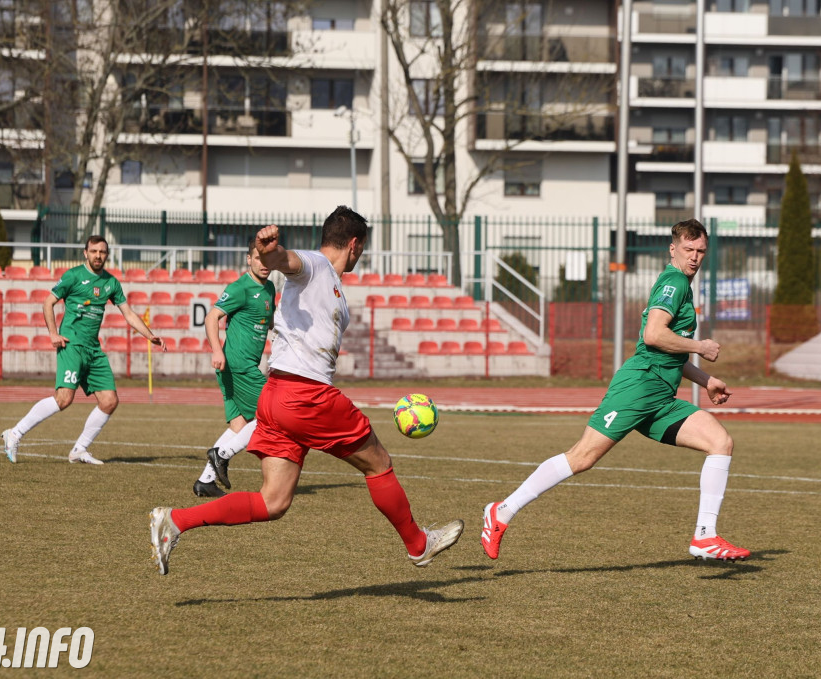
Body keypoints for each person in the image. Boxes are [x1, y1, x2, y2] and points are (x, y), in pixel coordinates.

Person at [150, 206, 464, 575]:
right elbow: (287, 260)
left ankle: (174, 521)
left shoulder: (333, 287)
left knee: (273, 501)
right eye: (361, 248)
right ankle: (418, 544)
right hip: (305, 395)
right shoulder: (316, 265)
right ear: (354, 243)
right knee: (378, 463)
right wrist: (269, 251)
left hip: (277, 396)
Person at [481, 219, 750, 562]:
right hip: (638, 388)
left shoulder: (683, 284)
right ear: (673, 249)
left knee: (720, 442)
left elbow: (667, 349)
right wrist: (700, 346)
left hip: (661, 398)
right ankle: (500, 513)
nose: (695, 257)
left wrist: (705, 380)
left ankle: (705, 537)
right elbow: (654, 335)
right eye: (688, 249)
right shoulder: (674, 282)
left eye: (700, 251)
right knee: (582, 458)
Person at [1, 235, 166, 465]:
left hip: (93, 349)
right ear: (85, 253)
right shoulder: (73, 276)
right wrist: (53, 333)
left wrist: (150, 335)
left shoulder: (111, 282)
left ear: (107, 255)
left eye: (102, 252)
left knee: (109, 400)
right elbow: (48, 302)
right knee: (64, 398)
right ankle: (15, 434)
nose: (98, 255)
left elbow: (127, 313)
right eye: (94, 251)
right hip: (72, 345)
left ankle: (79, 450)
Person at [192, 239, 276, 497]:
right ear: (248, 259)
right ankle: (221, 455)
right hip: (237, 365)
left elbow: (269, 323)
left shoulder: (270, 288)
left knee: (239, 425)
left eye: (268, 259)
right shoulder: (240, 287)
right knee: (271, 415)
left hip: (245, 365)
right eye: (258, 258)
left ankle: (205, 481)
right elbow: (211, 317)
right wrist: (217, 350)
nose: (264, 264)